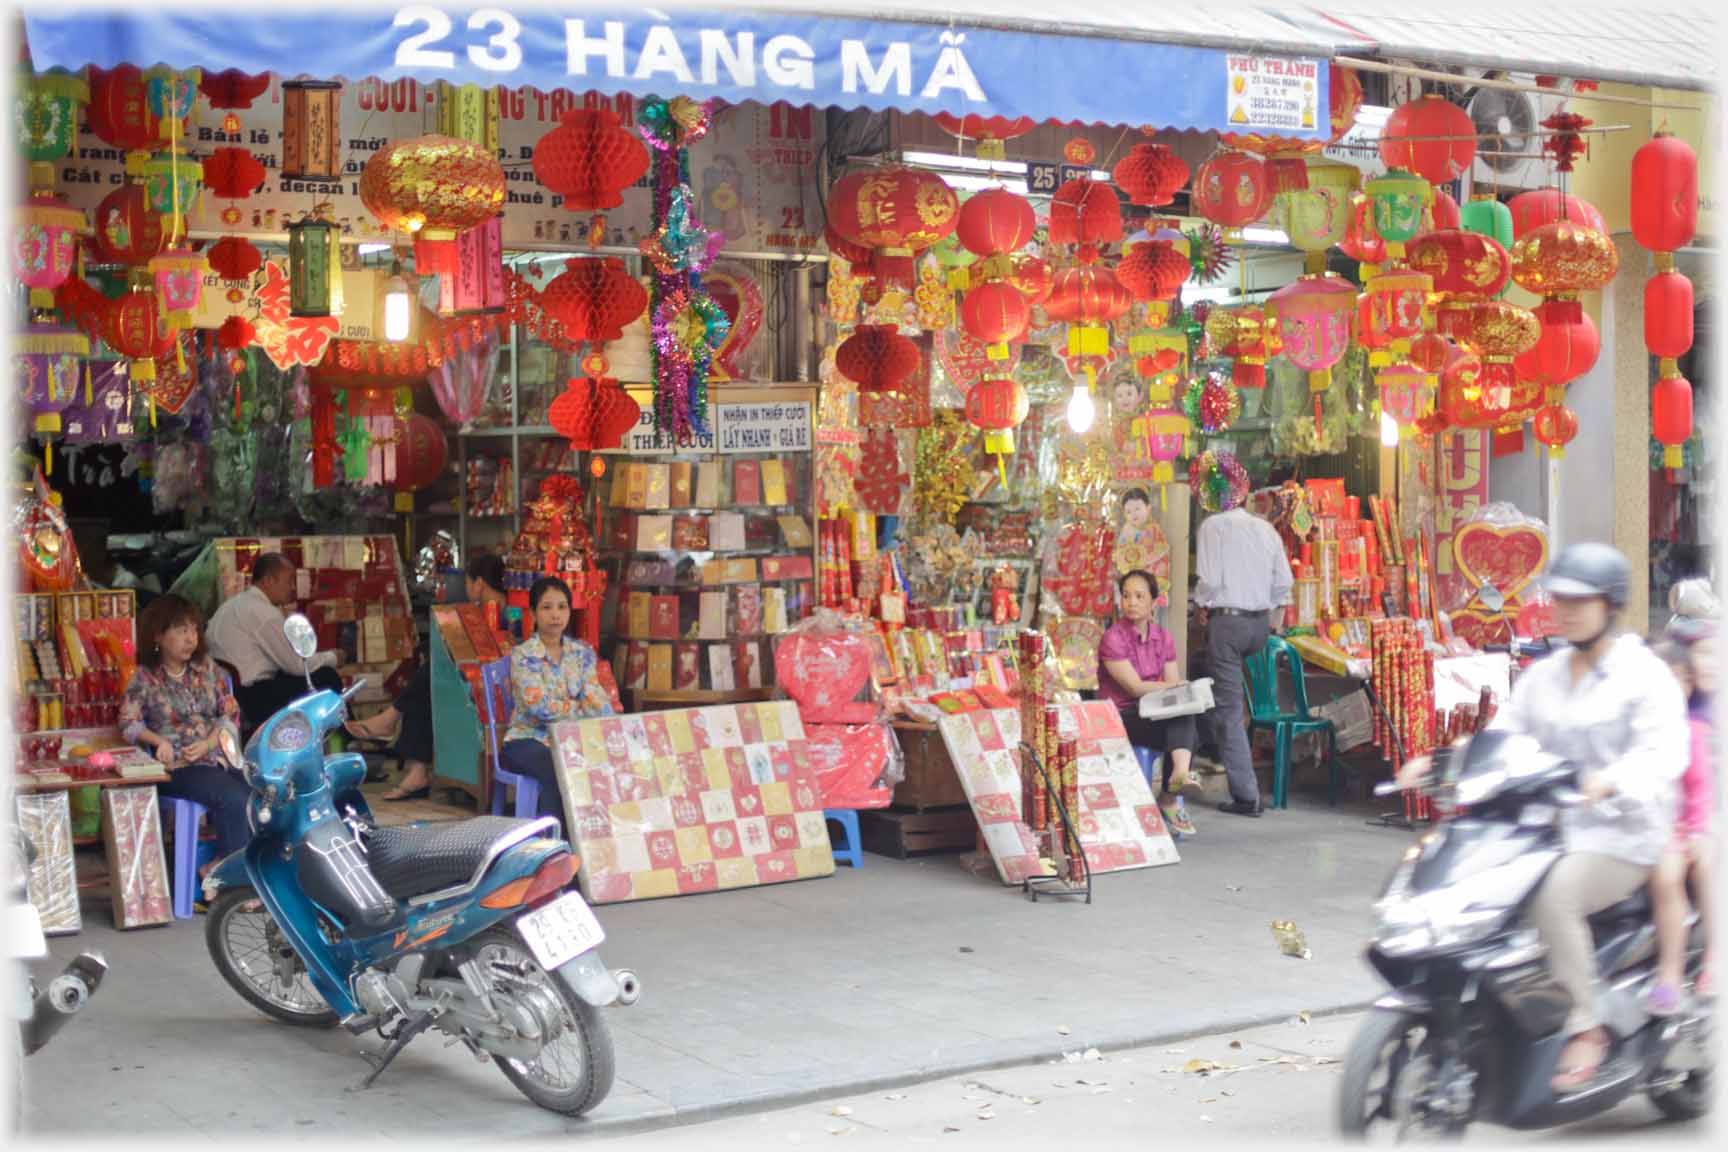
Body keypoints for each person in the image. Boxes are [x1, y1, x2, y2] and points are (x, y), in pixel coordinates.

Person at [1404, 543, 1689, 1091]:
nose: (1564, 610)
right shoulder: (1546, 674)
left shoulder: (1643, 675)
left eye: (1579, 601)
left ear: (1610, 605)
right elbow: (1505, 736)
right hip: (1546, 828)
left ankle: (1585, 1027)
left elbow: (1663, 754)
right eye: (1559, 599)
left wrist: (1612, 781)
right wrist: (1444, 763)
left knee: (1554, 898)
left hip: (1622, 833)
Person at [345, 553, 508, 801]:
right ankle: (413, 761)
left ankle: (397, 731)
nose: (466, 589)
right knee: (430, 681)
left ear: (479, 584)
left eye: (467, 582)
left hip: (494, 682)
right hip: (476, 678)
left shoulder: (498, 612)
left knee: (429, 678)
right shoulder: (489, 610)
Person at [119, 594, 252, 867]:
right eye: (182, 631)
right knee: (233, 797)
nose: (191, 638)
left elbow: (230, 712)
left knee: (258, 792)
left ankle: (239, 868)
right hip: (179, 767)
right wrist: (157, 742)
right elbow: (127, 723)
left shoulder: (206, 668)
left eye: (194, 629)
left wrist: (209, 742)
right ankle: (227, 873)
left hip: (216, 758)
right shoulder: (144, 678)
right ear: (158, 635)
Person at [1193, 497, 1293, 816]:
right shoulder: (1265, 528)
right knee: (1206, 673)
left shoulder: (1213, 526)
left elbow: (1208, 581)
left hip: (1229, 625)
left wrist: (1200, 604)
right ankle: (1213, 743)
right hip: (1260, 627)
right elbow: (1284, 584)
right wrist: (1264, 607)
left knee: (1229, 708)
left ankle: (1246, 796)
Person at [500, 576, 615, 823]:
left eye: (562, 607)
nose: (556, 615)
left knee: (607, 760)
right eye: (547, 607)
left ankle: (596, 838)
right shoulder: (523, 655)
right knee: (559, 768)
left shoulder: (582, 653)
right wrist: (581, 707)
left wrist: (607, 722)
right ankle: (553, 845)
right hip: (528, 739)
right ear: (533, 612)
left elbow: (597, 699)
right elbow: (539, 707)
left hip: (572, 738)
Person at [1097, 570, 1198, 837]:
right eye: (1127, 595)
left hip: (1154, 711)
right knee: (1180, 723)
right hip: (1121, 715)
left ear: (1154, 601)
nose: (1131, 602)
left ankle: (1177, 778)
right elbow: (1135, 687)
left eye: (1140, 596)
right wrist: (1174, 688)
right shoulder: (1113, 638)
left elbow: (1173, 684)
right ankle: (1171, 794)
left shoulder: (1163, 637)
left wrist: (1181, 692)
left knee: (1185, 716)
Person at [1649, 617, 1716, 1010]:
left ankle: (1705, 959)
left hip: (1692, 826)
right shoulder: (1653, 726)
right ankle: (1667, 971)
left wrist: (1696, 829)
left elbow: (1700, 789)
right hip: (1660, 826)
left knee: (1692, 870)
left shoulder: (1694, 728)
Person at [207, 552, 343, 731]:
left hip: (228, 690)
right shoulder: (264, 613)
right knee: (326, 676)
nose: (292, 587)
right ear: (269, 581)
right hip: (252, 696)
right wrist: (333, 657)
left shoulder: (232, 605)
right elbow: (296, 665)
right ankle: (346, 734)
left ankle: (350, 730)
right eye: (288, 581)